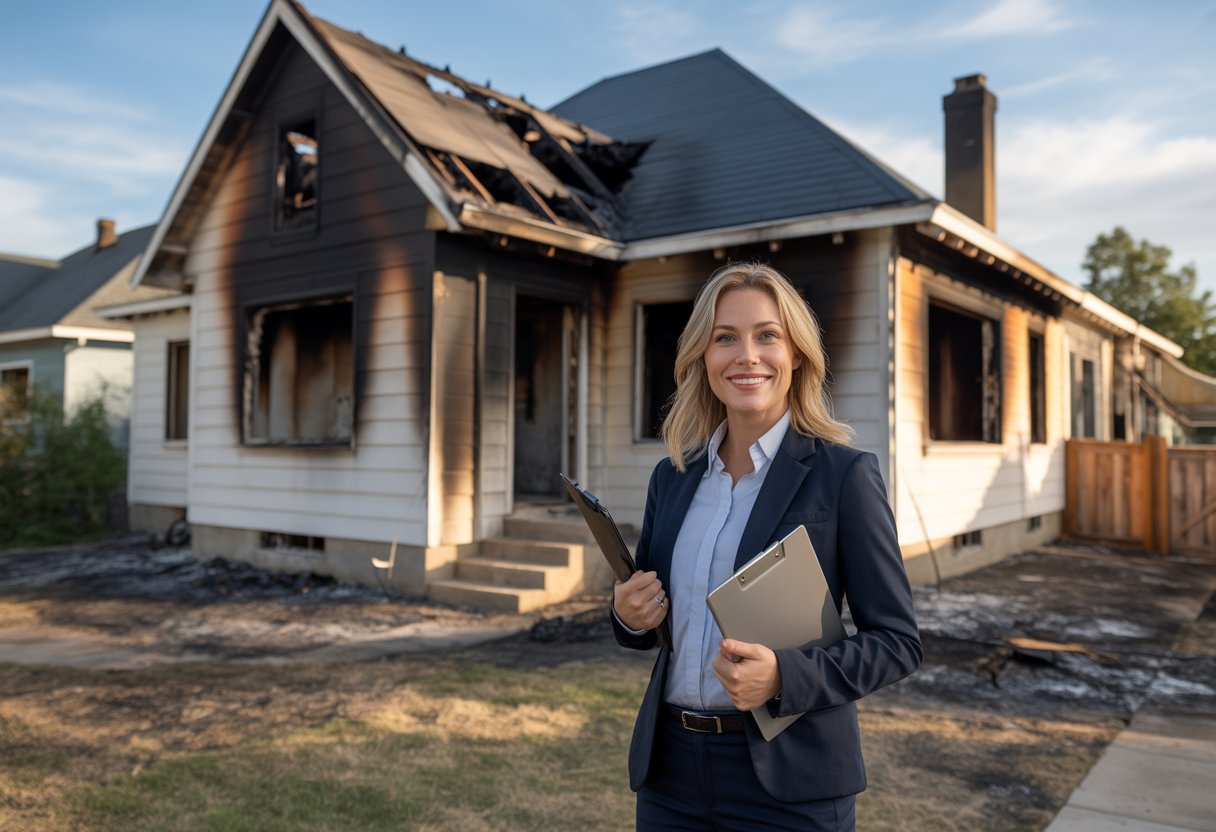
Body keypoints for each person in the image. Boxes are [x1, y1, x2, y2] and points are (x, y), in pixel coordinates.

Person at [612, 262, 922, 831]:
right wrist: (630, 617)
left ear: (796, 354)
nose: (746, 355)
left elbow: (898, 642)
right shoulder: (673, 478)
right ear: (702, 357)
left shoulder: (844, 476)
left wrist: (783, 676)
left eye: (767, 336)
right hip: (670, 777)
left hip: (790, 785)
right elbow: (656, 621)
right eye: (725, 337)